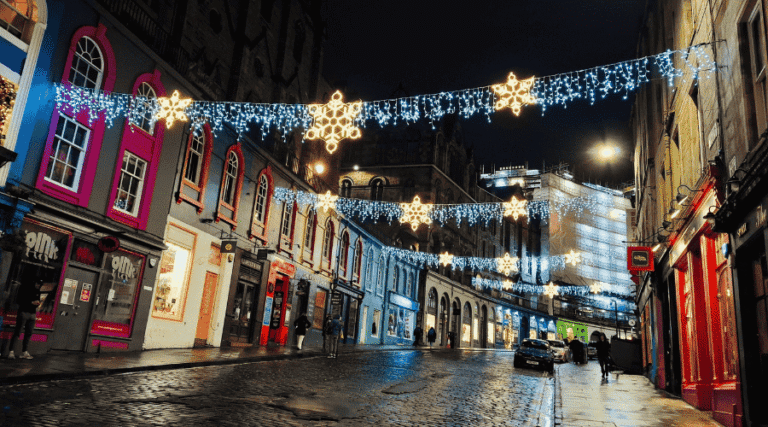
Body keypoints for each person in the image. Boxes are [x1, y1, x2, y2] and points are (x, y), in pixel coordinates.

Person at [5, 276, 42, 360]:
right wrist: (31, 302)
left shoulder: (38, 291)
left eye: (40, 284)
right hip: (24, 312)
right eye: (37, 284)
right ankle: (11, 351)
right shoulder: (25, 289)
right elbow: (19, 300)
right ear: (34, 283)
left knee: (28, 333)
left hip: (32, 313)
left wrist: (37, 303)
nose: (38, 286)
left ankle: (24, 351)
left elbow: (37, 301)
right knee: (18, 332)